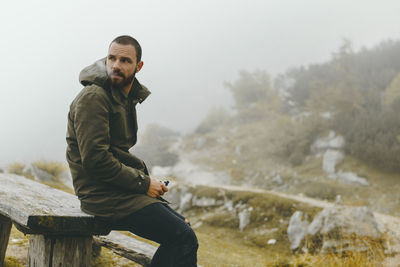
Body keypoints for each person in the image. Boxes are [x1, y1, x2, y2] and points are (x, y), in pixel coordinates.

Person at [66, 35, 198, 267]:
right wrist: (144, 183)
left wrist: (145, 182)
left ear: (139, 66)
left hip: (116, 189)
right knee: (182, 237)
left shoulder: (124, 96)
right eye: (112, 58)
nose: (116, 65)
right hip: (100, 195)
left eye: (125, 60)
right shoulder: (94, 97)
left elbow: (116, 152)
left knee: (182, 229)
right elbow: (96, 160)